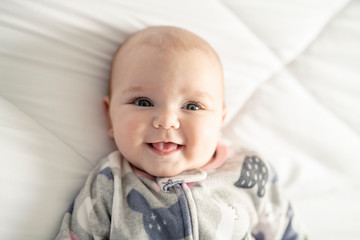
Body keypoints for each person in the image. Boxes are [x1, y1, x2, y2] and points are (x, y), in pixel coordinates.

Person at [56, 26, 305, 240]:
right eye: (143, 102)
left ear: (219, 121)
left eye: (192, 106)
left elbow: (284, 232)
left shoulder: (249, 170)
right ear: (110, 115)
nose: (166, 122)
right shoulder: (109, 181)